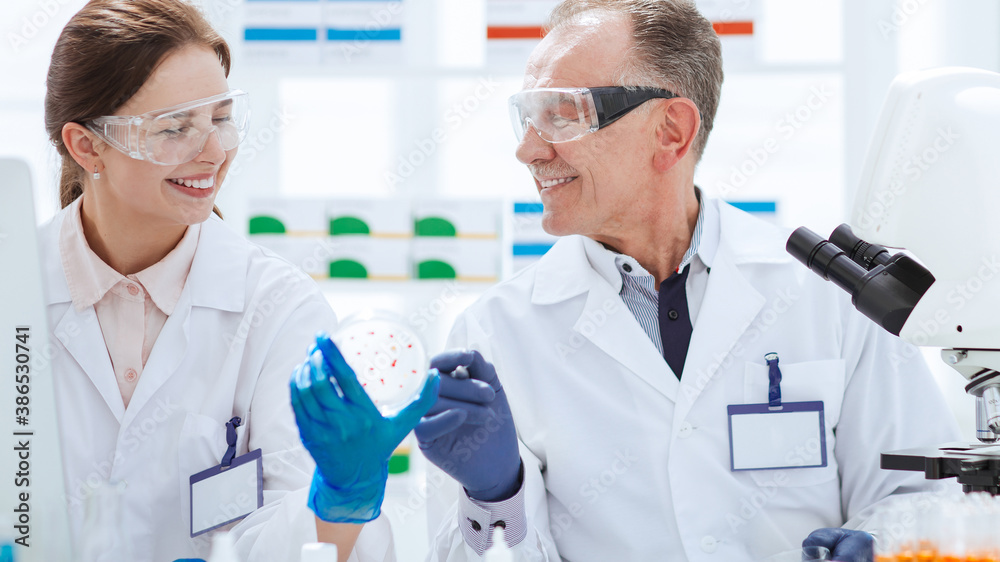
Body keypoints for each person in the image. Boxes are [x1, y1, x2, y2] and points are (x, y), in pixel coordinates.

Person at [415, 1, 962, 560]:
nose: (528, 149)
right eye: (527, 117)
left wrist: (879, 544)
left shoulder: (827, 295)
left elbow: (921, 494)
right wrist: (494, 496)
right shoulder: (497, 333)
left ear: (670, 130)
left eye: (562, 114)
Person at [40, 1, 434, 560]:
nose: (214, 152)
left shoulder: (278, 308)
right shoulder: (16, 289)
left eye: (221, 119)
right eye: (175, 128)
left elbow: (300, 539)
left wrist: (340, 497)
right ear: (87, 146)